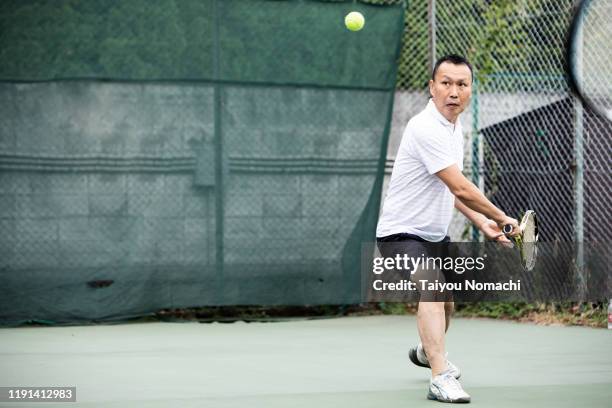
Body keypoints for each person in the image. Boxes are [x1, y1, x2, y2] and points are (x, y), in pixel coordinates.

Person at [376, 54, 519, 403]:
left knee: (448, 304)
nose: (453, 91)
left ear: (470, 90)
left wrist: (480, 221)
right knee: (432, 286)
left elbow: (445, 187)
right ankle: (439, 376)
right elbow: (459, 186)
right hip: (399, 234)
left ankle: (428, 352)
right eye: (446, 83)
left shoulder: (455, 128)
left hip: (434, 236)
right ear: (432, 87)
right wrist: (502, 217)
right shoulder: (425, 127)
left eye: (461, 84)